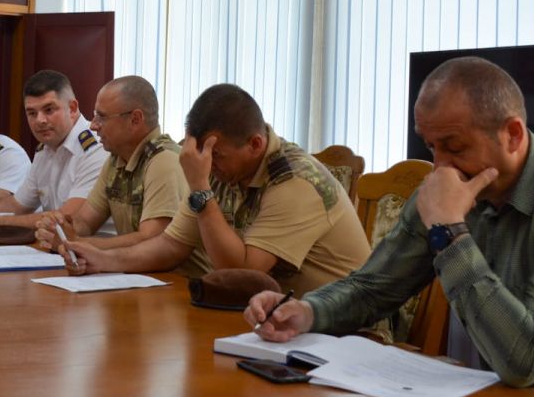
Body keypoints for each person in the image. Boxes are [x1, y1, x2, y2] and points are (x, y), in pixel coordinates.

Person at [246, 57, 534, 397]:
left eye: (455, 147)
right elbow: (373, 288)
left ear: (513, 134)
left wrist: (449, 230)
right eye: (431, 146)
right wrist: (307, 311)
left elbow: (526, 358)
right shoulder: (451, 184)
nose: (440, 166)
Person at [57, 84, 369, 286]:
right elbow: (170, 245)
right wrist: (103, 260)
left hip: (344, 332)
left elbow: (242, 272)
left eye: (217, 156)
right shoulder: (223, 167)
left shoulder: (295, 181)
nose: (209, 165)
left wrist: (200, 189)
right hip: (274, 319)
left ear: (255, 144)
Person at [32, 77, 208, 273]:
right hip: (141, 277)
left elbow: (151, 238)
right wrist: (59, 227)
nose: (93, 126)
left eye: (102, 117)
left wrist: (77, 242)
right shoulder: (116, 159)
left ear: (135, 119)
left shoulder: (164, 161)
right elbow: (85, 222)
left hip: (181, 282)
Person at [0, 70, 107, 236]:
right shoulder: (45, 150)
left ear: (72, 108)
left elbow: (68, 219)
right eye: (32, 113)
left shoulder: (96, 147)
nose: (40, 120)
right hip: (56, 245)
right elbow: (17, 205)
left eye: (49, 110)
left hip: (95, 248)